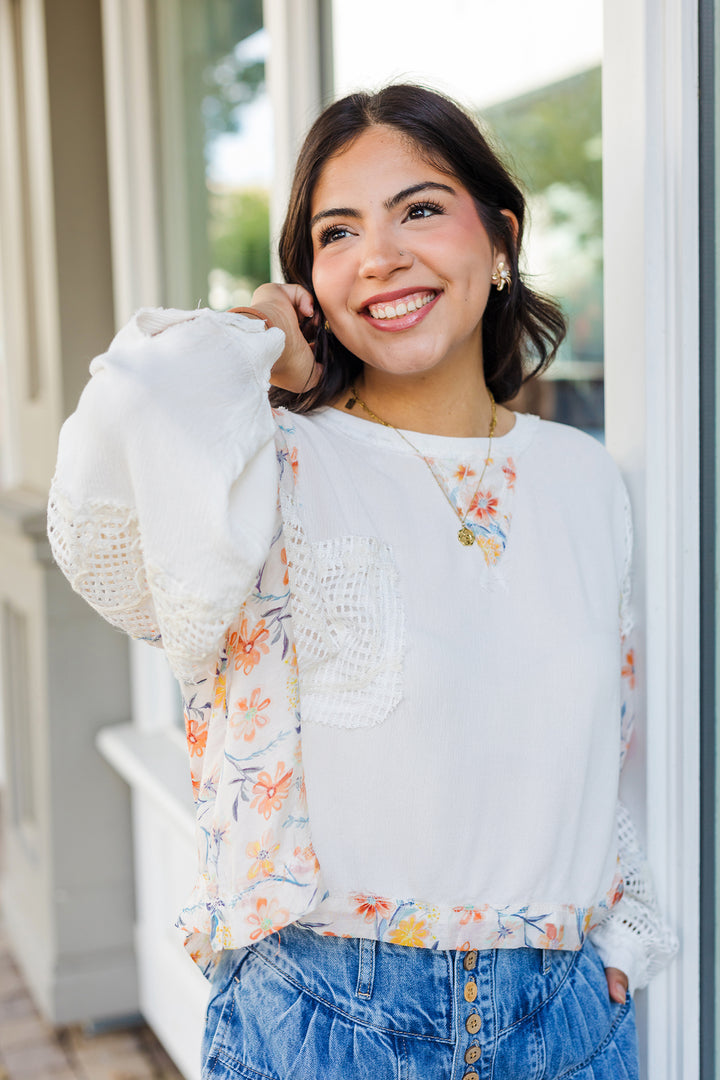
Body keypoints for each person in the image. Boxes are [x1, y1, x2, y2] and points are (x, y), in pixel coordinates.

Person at [48, 85, 677, 1079]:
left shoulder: (584, 478)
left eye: (419, 209)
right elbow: (124, 436)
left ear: (501, 238)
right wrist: (255, 337)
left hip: (564, 1022)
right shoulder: (268, 468)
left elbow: (607, 750)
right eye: (337, 234)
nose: (379, 256)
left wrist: (623, 934)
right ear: (310, 282)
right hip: (328, 1021)